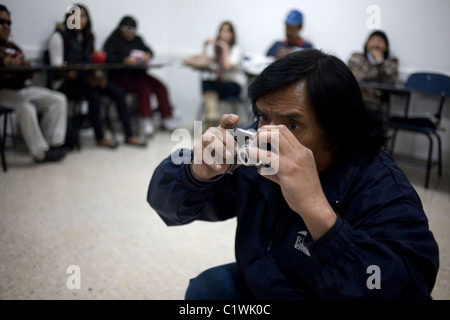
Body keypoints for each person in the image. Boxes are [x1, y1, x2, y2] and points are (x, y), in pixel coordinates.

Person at [147, 49, 439, 299]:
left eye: (293, 125)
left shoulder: (381, 186)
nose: (269, 135)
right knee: (207, 291)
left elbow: (401, 288)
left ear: (337, 131)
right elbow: (168, 206)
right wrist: (196, 172)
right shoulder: (254, 149)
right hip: (268, 280)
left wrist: (317, 211)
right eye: (263, 117)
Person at [48, 4, 144, 148]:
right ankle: (100, 137)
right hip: (65, 84)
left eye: (83, 16)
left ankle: (129, 135)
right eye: (75, 16)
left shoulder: (88, 37)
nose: (79, 19)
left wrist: (98, 75)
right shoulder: (59, 36)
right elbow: (59, 70)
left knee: (118, 92)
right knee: (94, 95)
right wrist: (86, 78)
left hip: (87, 80)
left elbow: (91, 62)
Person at [0, 4, 68, 163]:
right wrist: (4, 64)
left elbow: (29, 74)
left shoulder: (12, 47)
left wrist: (23, 64)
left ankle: (54, 143)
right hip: (2, 91)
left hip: (20, 89)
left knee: (58, 99)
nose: (5, 26)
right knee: (26, 106)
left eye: (8, 22)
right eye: (1, 22)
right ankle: (39, 153)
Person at [103, 16, 179, 136]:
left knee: (160, 86)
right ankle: (145, 120)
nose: (129, 32)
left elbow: (149, 51)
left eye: (132, 29)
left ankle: (167, 117)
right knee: (144, 88)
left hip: (139, 74)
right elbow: (108, 59)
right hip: (121, 78)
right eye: (126, 29)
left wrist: (147, 55)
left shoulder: (138, 40)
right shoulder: (112, 41)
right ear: (120, 29)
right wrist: (124, 60)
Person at [184, 21, 246, 129]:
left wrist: (225, 48)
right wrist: (205, 46)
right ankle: (212, 116)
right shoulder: (216, 49)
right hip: (220, 83)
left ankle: (211, 120)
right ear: (219, 33)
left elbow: (227, 65)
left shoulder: (236, 48)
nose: (225, 34)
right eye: (222, 31)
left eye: (228, 31)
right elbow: (205, 60)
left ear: (232, 34)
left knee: (217, 87)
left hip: (233, 85)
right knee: (207, 83)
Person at [348, 30, 399, 110]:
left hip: (376, 99)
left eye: (379, 41)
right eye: (372, 40)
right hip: (355, 94)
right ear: (366, 44)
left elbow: (389, 83)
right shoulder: (356, 57)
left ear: (386, 47)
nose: (376, 44)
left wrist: (379, 62)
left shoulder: (391, 62)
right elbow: (357, 77)